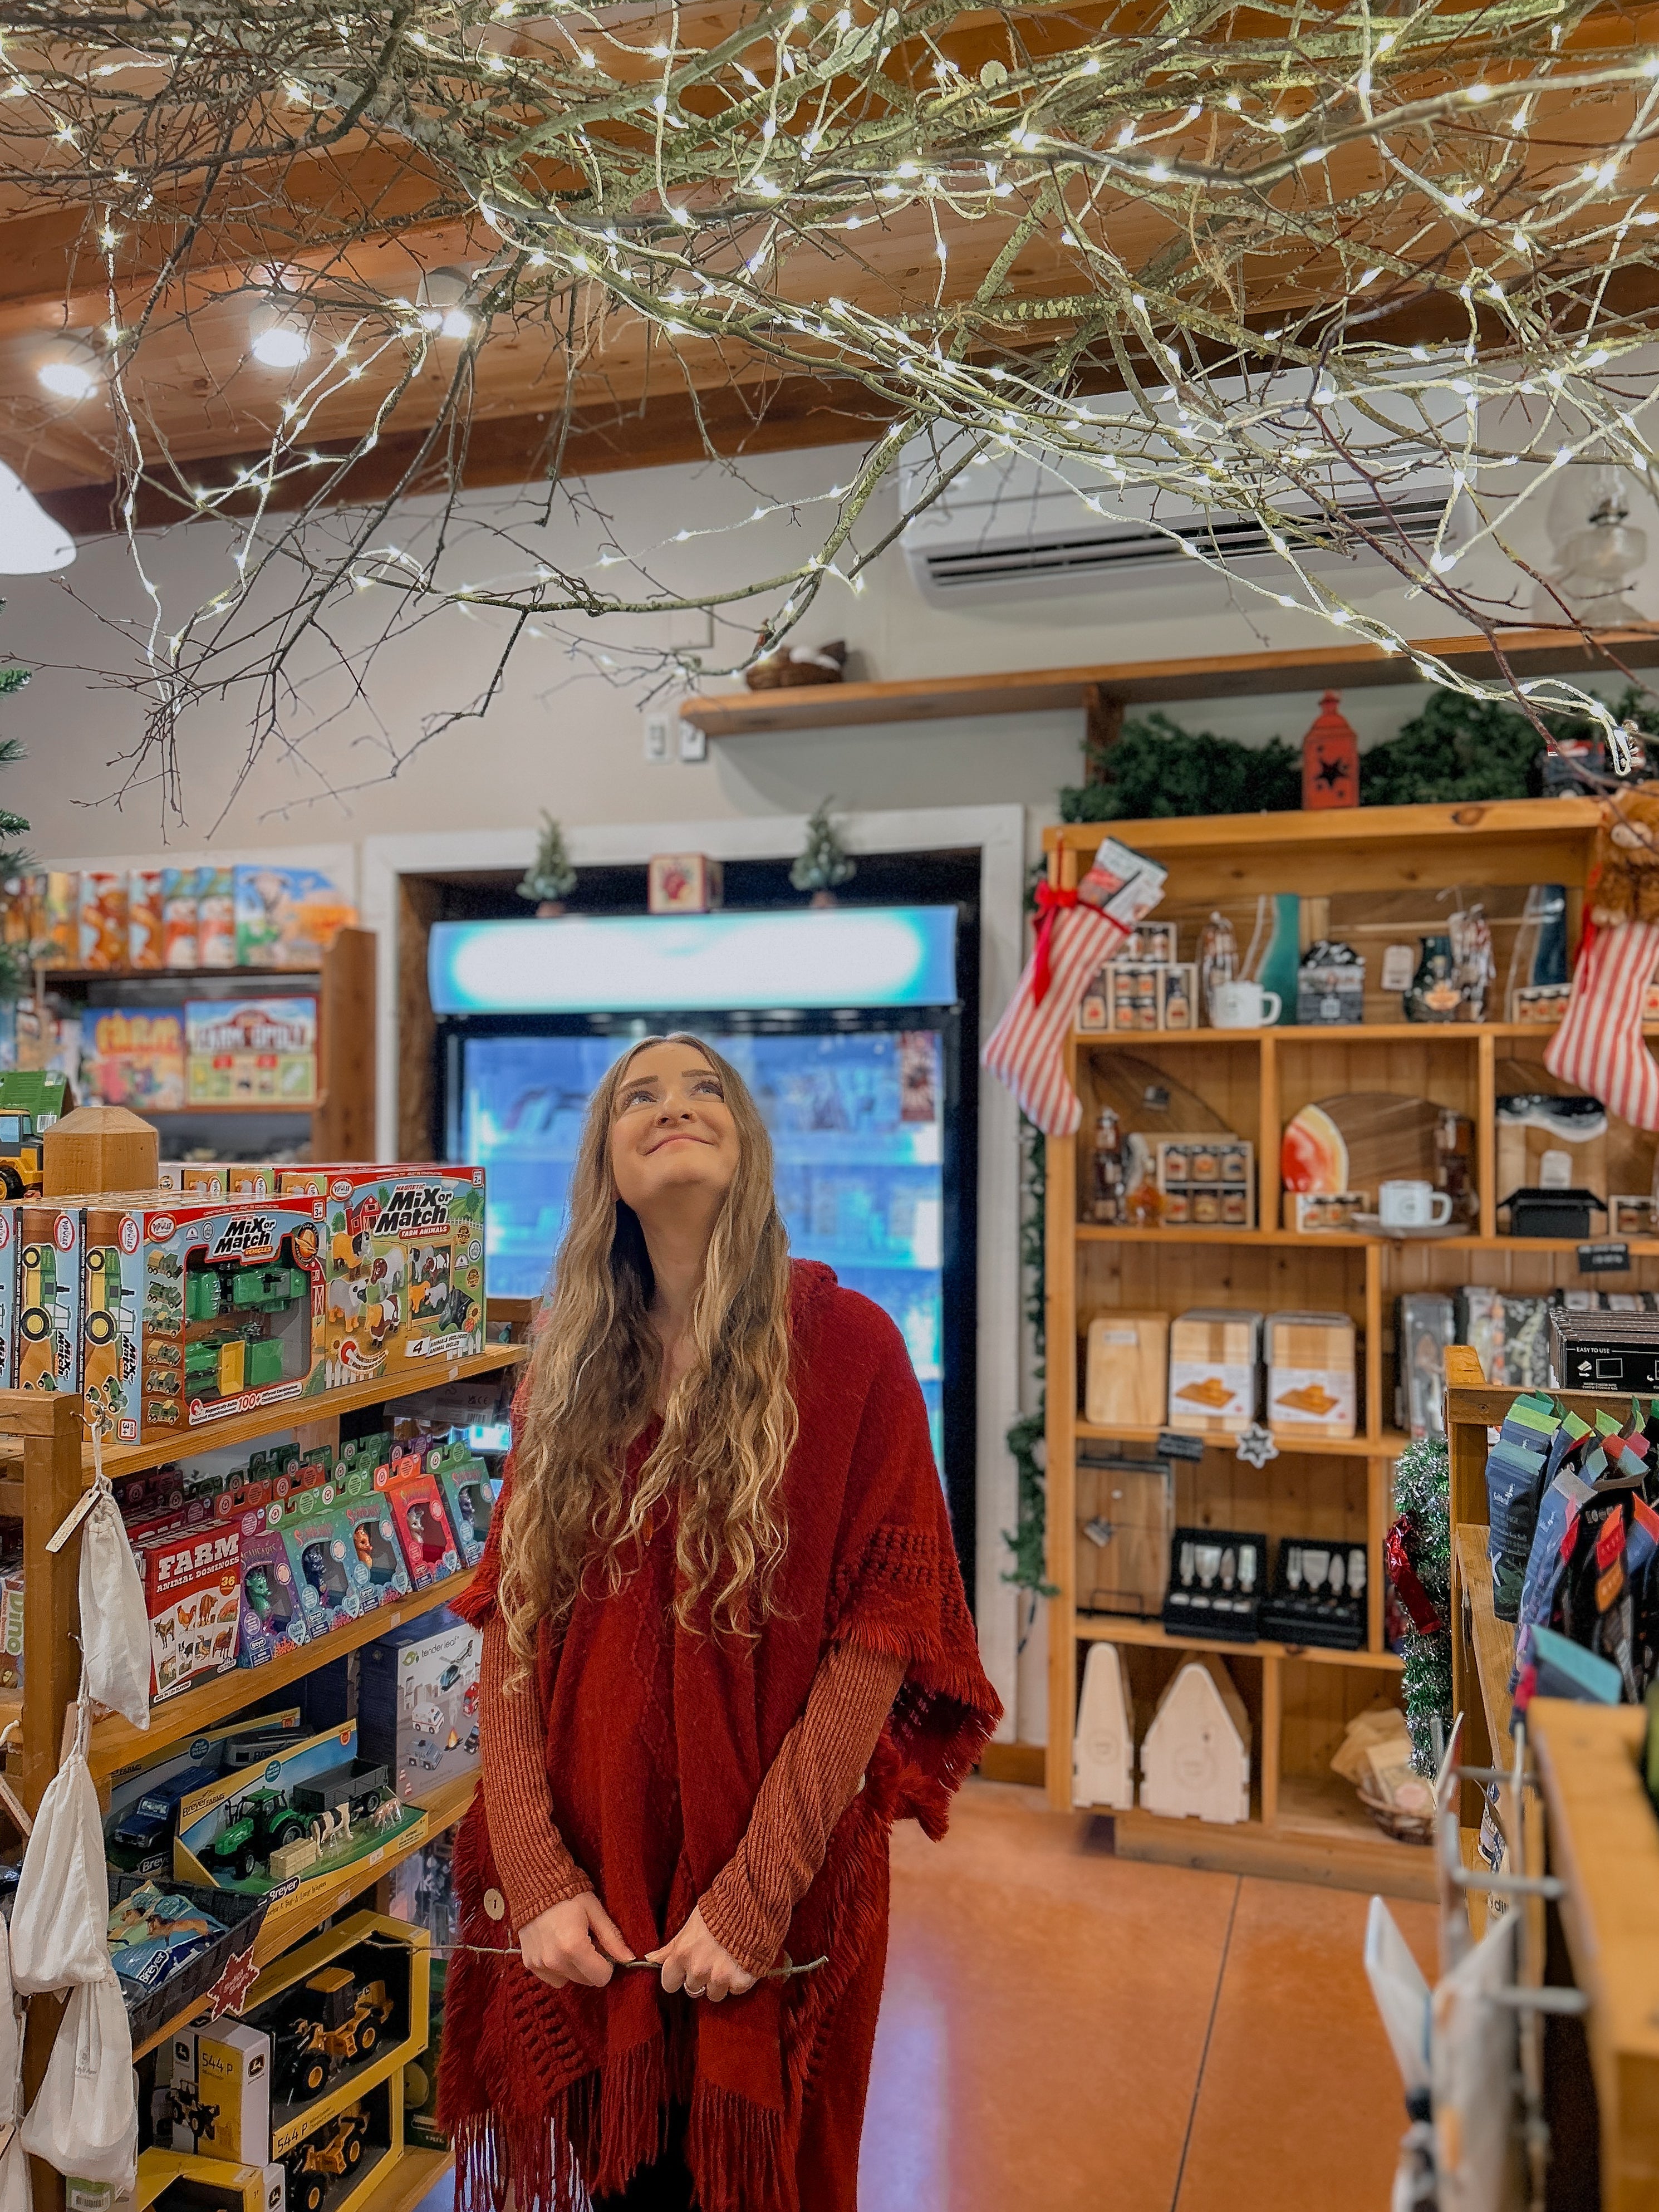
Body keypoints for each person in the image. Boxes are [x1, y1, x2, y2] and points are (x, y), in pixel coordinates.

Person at [439, 1034, 999, 2212]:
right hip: (595, 1885)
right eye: (637, 1093)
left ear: (746, 1146)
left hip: (777, 1892)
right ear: (603, 1159)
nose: (672, 1104)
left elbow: (878, 1641)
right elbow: (513, 1626)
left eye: (704, 1089)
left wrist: (754, 1894)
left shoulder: (852, 1352)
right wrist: (535, 1874)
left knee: (765, 2180)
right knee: (619, 2181)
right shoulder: (566, 1370)